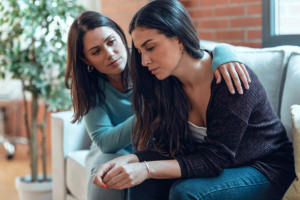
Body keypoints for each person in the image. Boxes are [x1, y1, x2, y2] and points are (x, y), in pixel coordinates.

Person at [92, 1, 296, 200]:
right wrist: (130, 159)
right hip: (226, 166)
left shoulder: (229, 79)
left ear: (179, 38)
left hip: (266, 168)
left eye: (151, 47)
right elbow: (167, 149)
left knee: (186, 191)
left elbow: (214, 160)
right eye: (140, 52)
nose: (144, 61)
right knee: (144, 181)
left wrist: (146, 168)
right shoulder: (167, 85)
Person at [65, 10, 250, 200]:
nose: (110, 54)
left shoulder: (148, 62)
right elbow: (105, 142)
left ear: (121, 37)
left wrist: (225, 53)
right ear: (86, 60)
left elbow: (190, 51)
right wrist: (152, 111)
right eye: (96, 52)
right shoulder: (89, 87)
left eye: (111, 42)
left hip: (156, 145)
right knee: (106, 169)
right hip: (117, 150)